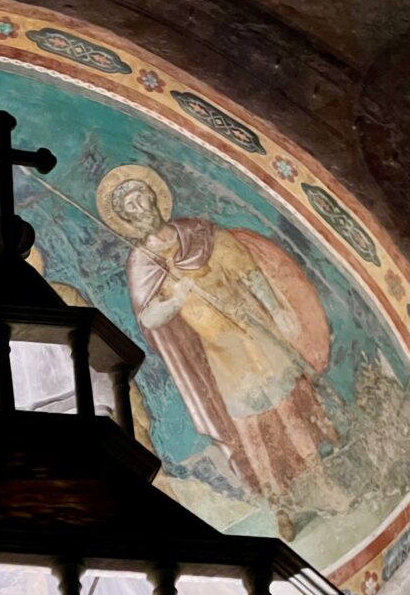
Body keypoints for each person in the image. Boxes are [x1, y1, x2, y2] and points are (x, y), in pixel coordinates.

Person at [99, 165, 337, 540]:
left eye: (143, 197)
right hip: (220, 354)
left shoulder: (198, 233)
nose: (140, 207)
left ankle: (323, 485)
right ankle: (281, 506)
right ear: (127, 219)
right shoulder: (142, 263)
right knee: (251, 431)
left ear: (156, 200)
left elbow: (246, 269)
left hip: (253, 332)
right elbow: (150, 317)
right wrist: (176, 296)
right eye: (131, 205)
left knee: (290, 406)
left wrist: (275, 309)